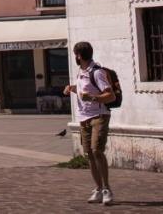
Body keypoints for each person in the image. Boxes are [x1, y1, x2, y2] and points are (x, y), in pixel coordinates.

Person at [64, 41, 114, 205]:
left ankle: (107, 189)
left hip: (99, 115)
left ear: (79, 55)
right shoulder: (81, 72)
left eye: (75, 54)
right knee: (90, 154)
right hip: (83, 117)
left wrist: (92, 98)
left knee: (97, 150)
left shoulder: (97, 72)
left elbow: (110, 96)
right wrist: (72, 88)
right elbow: (85, 89)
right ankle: (98, 188)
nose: (75, 57)